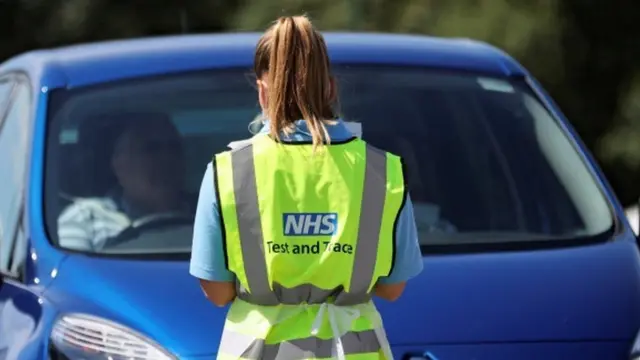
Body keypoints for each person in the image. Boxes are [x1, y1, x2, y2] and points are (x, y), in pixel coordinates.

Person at [190, 15, 423, 360]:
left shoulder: (228, 171)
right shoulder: (382, 170)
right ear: (330, 88)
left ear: (262, 90)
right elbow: (393, 288)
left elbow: (218, 292)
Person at [57, 116, 191, 251]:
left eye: (174, 148)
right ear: (119, 165)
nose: (166, 159)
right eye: (151, 149)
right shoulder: (85, 219)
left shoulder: (209, 214)